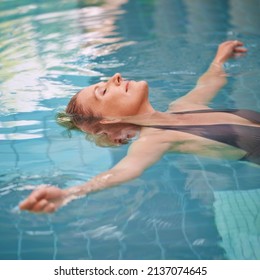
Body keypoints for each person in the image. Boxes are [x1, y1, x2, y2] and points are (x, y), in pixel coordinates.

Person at [19, 40, 259, 213]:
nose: (116, 76)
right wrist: (69, 194)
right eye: (103, 91)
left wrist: (219, 59)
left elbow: (209, 82)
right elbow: (124, 171)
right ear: (108, 121)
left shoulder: (183, 105)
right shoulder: (155, 139)